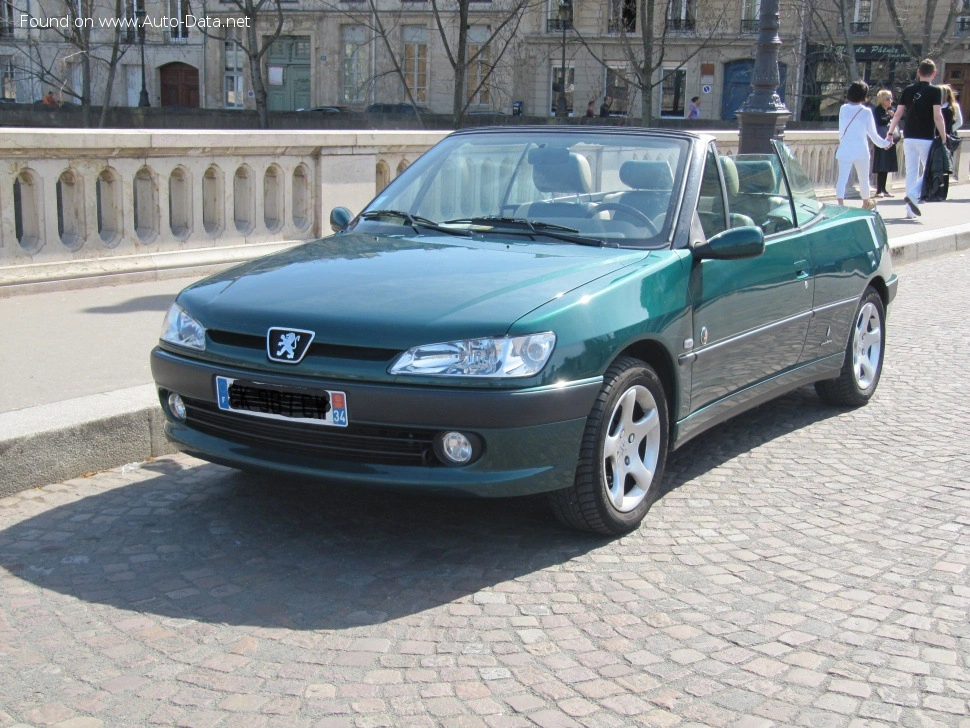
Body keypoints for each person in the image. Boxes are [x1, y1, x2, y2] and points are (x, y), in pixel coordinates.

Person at [886, 59, 948, 219]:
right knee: (929, 171)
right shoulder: (936, 91)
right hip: (926, 136)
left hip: (909, 136)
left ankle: (909, 210)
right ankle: (913, 195)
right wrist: (944, 136)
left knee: (911, 173)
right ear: (934, 74)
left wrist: (890, 132)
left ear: (918, 73)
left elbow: (898, 114)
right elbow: (937, 116)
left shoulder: (908, 90)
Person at [836, 81, 893, 210]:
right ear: (864, 96)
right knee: (864, 179)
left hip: (845, 148)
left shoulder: (843, 109)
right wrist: (885, 144)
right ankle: (866, 203)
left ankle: (840, 204)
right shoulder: (866, 112)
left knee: (842, 178)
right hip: (861, 149)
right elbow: (873, 135)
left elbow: (841, 130)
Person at [871, 89, 898, 197]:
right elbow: (880, 121)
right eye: (887, 98)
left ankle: (884, 189)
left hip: (889, 140)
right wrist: (889, 116)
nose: (890, 100)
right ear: (882, 100)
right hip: (881, 139)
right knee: (881, 164)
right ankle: (879, 190)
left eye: (891, 98)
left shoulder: (889, 109)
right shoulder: (878, 110)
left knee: (887, 164)